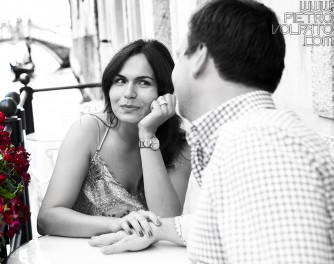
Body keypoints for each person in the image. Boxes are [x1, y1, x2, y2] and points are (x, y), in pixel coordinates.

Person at [89, 0, 334, 263]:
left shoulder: (261, 146)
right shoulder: (253, 136)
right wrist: (159, 229)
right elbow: (236, 223)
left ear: (200, 58)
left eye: (181, 54)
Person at [37, 39, 192, 238]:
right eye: (120, 81)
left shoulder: (180, 146)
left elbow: (167, 220)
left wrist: (147, 134)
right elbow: (47, 219)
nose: (128, 94)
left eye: (143, 82)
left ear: (164, 92)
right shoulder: (88, 131)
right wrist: (115, 224)